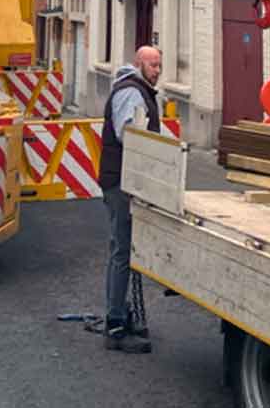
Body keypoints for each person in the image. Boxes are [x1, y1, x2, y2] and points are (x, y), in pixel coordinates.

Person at [98, 44, 161, 352]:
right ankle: (116, 324)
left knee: (125, 249)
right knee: (122, 250)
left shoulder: (137, 90)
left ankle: (120, 312)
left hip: (126, 180)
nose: (158, 71)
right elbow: (130, 135)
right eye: (152, 65)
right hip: (122, 182)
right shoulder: (131, 93)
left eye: (160, 65)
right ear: (139, 64)